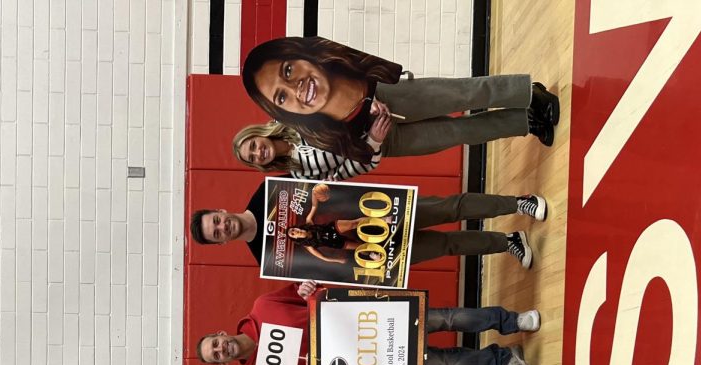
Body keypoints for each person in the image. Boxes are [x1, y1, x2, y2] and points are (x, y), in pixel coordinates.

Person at [240, 36, 561, 161]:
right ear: (281, 109)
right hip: (391, 141)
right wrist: (374, 141)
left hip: (390, 95)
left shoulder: (326, 58)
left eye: (287, 70)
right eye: (281, 96)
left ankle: (528, 93)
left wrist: (376, 86)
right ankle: (526, 121)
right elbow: (356, 162)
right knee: (463, 132)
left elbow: (350, 55)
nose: (295, 87)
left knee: (467, 92)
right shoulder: (304, 155)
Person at [196, 281, 539, 365]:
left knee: (445, 319)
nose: (221, 349)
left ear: (221, 333)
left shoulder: (262, 304)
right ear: (224, 364)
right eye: (217, 356)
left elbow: (303, 288)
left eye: (216, 343)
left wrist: (306, 288)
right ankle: (504, 358)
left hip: (368, 318)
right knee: (443, 364)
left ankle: (511, 321)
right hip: (363, 359)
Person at [191, 183, 544, 268]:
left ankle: (518, 203)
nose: (223, 227)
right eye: (216, 233)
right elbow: (322, 261)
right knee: (446, 246)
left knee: (450, 208)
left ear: (222, 211)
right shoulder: (267, 260)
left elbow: (323, 187)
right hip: (370, 251)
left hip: (371, 213)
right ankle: (506, 240)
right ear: (221, 243)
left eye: (217, 221)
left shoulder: (268, 191)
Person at [232, 121, 382, 181]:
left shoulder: (288, 116)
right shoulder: (301, 174)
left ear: (258, 133)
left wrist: (369, 103)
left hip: (377, 106)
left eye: (253, 145)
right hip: (382, 141)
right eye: (252, 158)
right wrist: (373, 142)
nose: (258, 153)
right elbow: (348, 170)